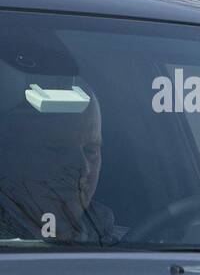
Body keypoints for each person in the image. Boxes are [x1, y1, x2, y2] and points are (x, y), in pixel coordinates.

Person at [0, 43, 122, 245]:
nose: (82, 167)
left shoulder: (118, 243)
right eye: (57, 149)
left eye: (90, 151)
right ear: (10, 155)